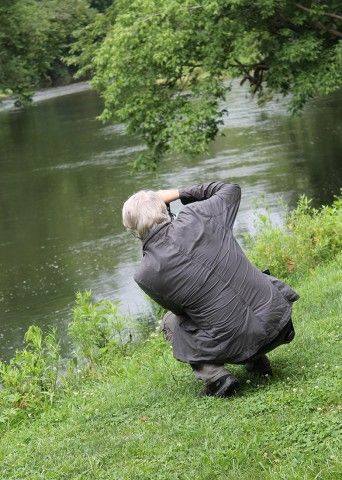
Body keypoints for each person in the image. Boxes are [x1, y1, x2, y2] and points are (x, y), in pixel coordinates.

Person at [122, 182, 299, 397]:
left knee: (171, 322)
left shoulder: (145, 274)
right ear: (164, 208)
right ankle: (258, 365)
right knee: (232, 287)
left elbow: (181, 313)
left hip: (240, 344)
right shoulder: (199, 214)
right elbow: (231, 189)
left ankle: (216, 378)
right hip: (279, 321)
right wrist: (179, 193)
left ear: (133, 231)